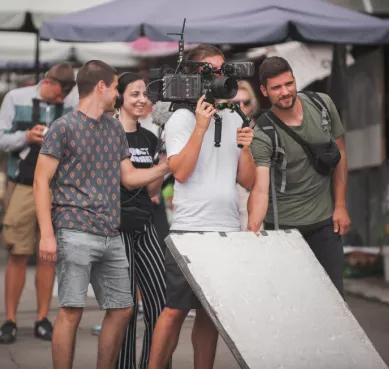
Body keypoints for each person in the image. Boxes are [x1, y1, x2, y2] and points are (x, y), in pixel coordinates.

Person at [33, 60, 170, 369]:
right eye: (115, 87)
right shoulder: (63, 127)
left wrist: (165, 166)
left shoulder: (113, 128)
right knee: (71, 310)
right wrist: (47, 235)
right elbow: (40, 181)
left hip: (111, 233)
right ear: (101, 87)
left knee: (122, 309)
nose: (117, 94)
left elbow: (129, 177)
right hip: (73, 231)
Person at [148, 44, 256, 369]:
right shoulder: (180, 118)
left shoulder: (235, 115)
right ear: (193, 74)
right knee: (175, 310)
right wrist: (199, 126)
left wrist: (247, 148)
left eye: (222, 69)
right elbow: (180, 173)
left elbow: (247, 182)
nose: (219, 75)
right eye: (211, 70)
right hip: (189, 231)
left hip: (226, 230)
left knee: (210, 314)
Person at [247, 56, 350, 297]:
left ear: (295, 81)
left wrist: (342, 205)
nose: (285, 92)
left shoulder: (322, 105)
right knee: (293, 302)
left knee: (334, 300)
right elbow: (260, 189)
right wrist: (252, 230)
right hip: (284, 229)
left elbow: (340, 154)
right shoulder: (263, 133)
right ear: (264, 91)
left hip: (324, 221)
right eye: (276, 87)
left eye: (289, 84)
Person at [0, 63, 78, 344]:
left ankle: (42, 318)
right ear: (48, 81)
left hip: (58, 185)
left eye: (66, 94)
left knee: (49, 254)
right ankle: (10, 319)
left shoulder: (71, 103)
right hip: (24, 183)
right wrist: (27, 137)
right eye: (59, 93)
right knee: (17, 251)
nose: (62, 98)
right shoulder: (15, 98)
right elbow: (0, 139)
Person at [93, 72, 171, 369]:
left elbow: (151, 189)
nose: (142, 100)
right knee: (124, 308)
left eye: (145, 95)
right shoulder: (107, 132)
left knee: (161, 303)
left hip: (146, 224)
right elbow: (126, 182)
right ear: (120, 97)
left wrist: (163, 162)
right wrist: (164, 166)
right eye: (135, 94)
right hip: (116, 228)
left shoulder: (149, 137)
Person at [228, 80, 260, 231]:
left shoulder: (261, 131)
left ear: (252, 104)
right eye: (235, 103)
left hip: (252, 195)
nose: (240, 107)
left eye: (245, 102)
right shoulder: (218, 128)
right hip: (224, 197)